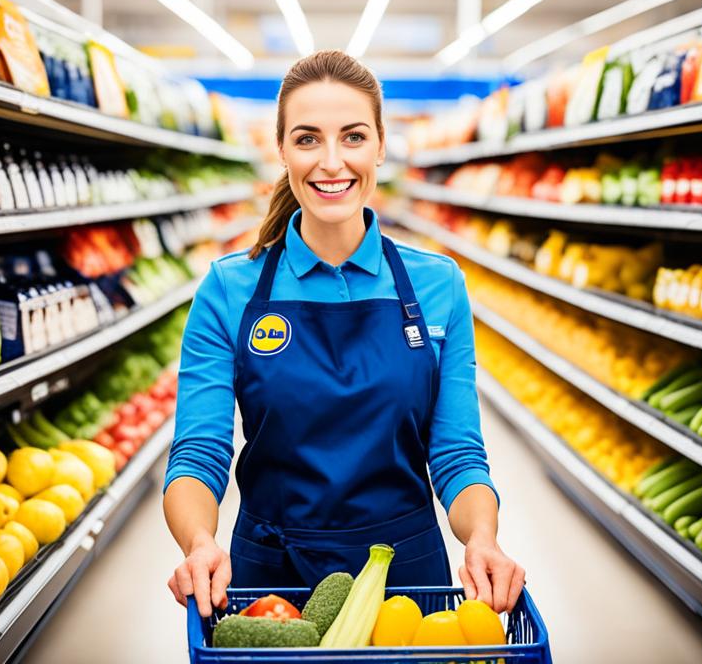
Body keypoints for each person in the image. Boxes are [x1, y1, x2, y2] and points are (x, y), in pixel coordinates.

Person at [163, 50, 524, 619]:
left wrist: (481, 538)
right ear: (281, 149)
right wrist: (199, 542)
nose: (332, 162)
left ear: (381, 145)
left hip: (409, 585)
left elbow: (456, 453)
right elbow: (199, 453)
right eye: (307, 139)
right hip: (271, 587)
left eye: (353, 137)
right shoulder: (229, 289)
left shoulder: (438, 285)